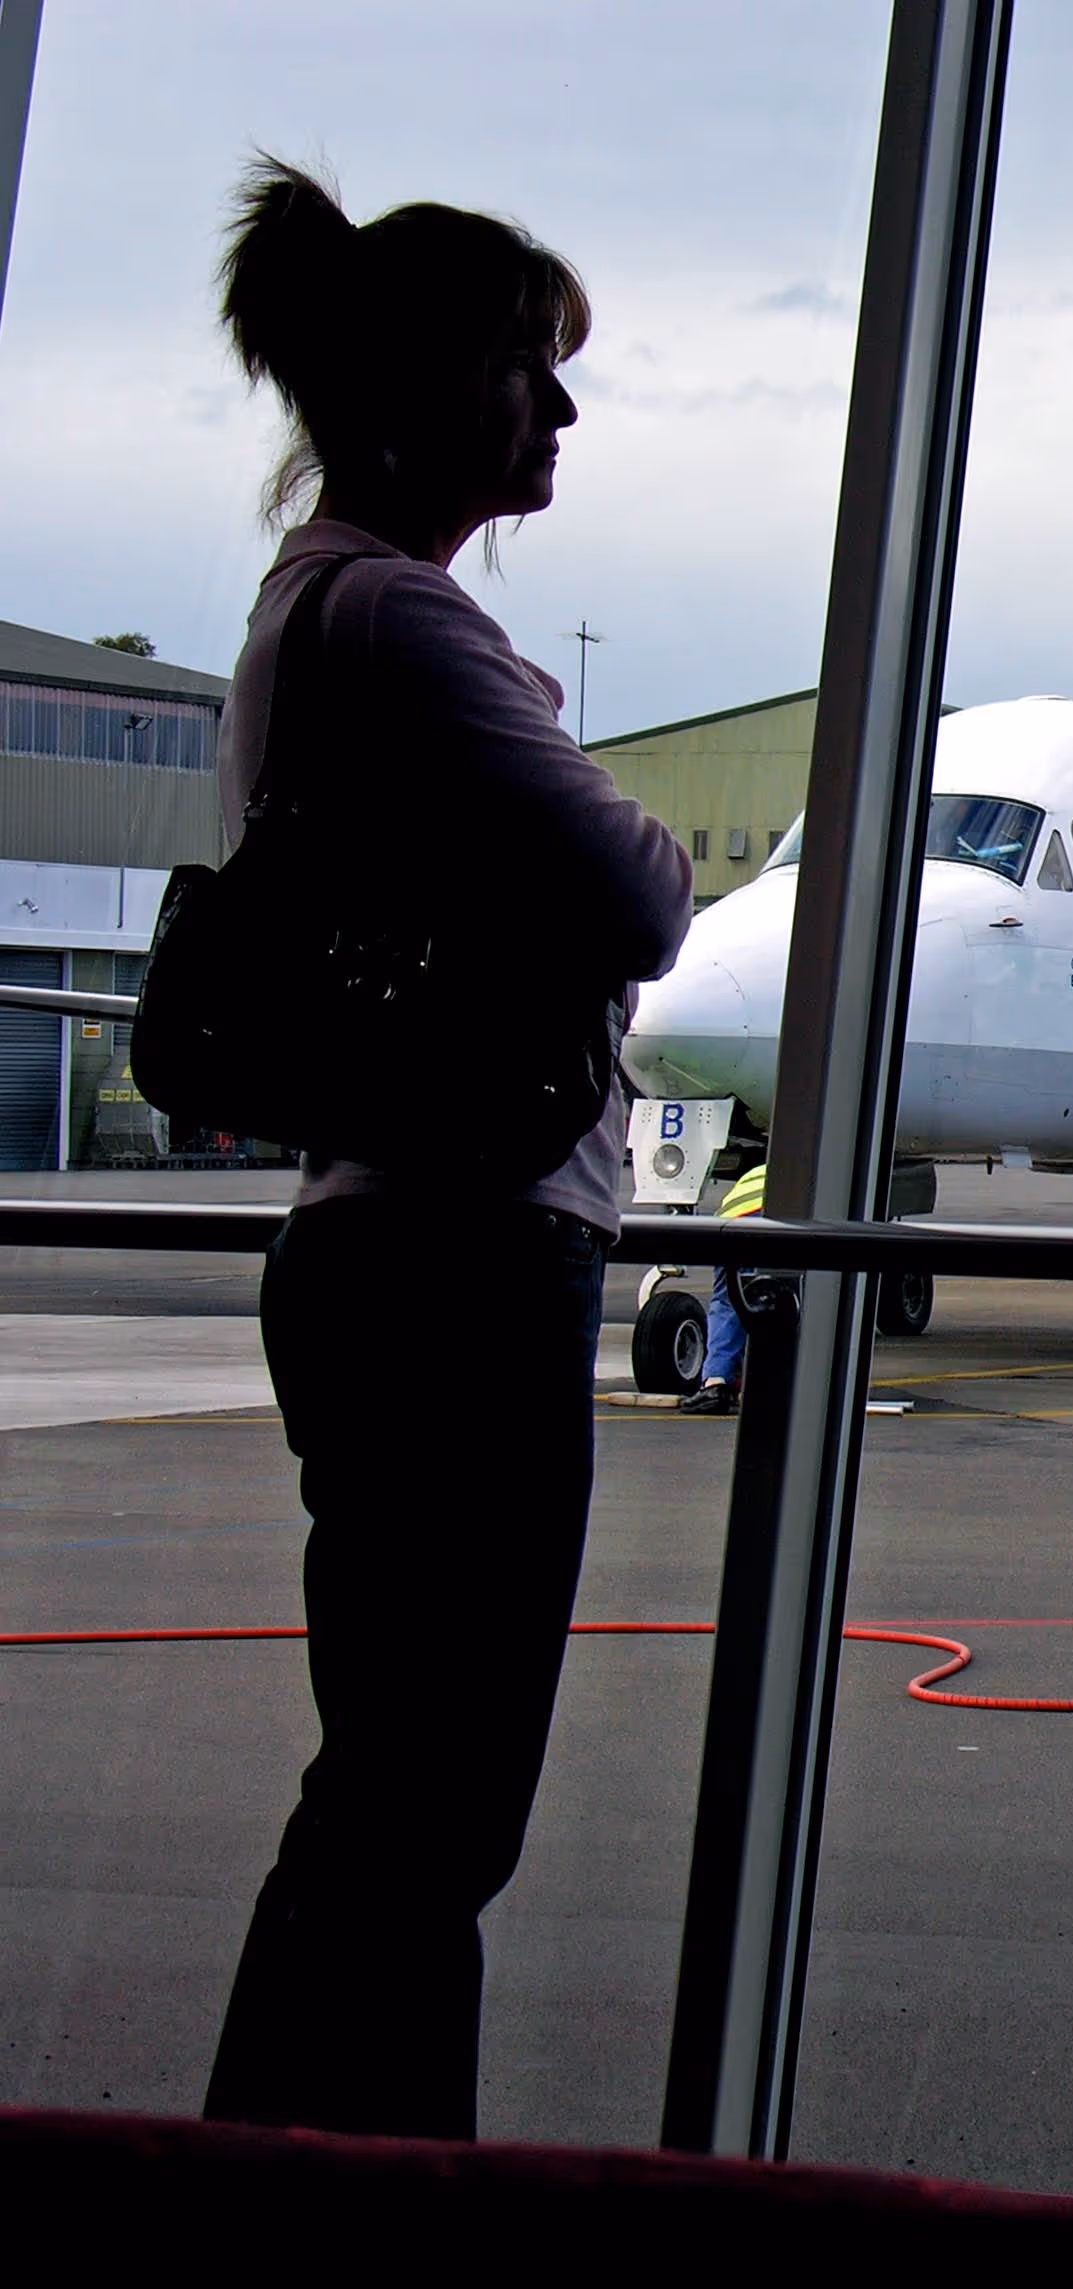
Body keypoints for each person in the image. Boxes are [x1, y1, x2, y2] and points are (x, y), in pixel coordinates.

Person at [200, 158, 692, 2140]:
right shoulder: (403, 623)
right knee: (429, 1807)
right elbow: (645, 891)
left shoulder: (317, 605)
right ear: (422, 391)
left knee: (390, 1793)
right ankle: (357, 2197)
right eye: (525, 367)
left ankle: (288, 2180)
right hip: (466, 1275)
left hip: (382, 1252)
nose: (559, 412)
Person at [678, 1160, 770, 1415]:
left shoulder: (758, 1172)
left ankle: (715, 1383)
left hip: (733, 1224)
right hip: (775, 1215)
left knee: (730, 1300)